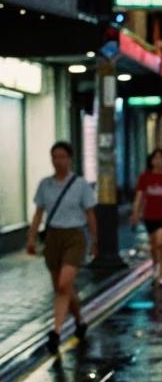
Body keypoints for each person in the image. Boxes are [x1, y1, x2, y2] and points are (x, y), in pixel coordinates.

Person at [26, 141, 97, 354]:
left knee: (65, 283)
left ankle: (55, 331)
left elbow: (90, 215)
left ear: (70, 159)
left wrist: (95, 241)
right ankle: (79, 320)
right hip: (53, 237)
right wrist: (31, 238)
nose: (58, 161)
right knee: (61, 287)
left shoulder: (80, 185)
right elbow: (39, 213)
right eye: (55, 157)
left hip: (75, 237)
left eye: (62, 156)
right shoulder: (45, 185)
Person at [131, 148, 162, 286]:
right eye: (155, 158)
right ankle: (155, 266)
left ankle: (161, 271)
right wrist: (135, 212)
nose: (158, 161)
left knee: (160, 243)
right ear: (151, 161)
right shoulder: (145, 177)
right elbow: (139, 196)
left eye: (161, 158)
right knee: (153, 246)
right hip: (149, 216)